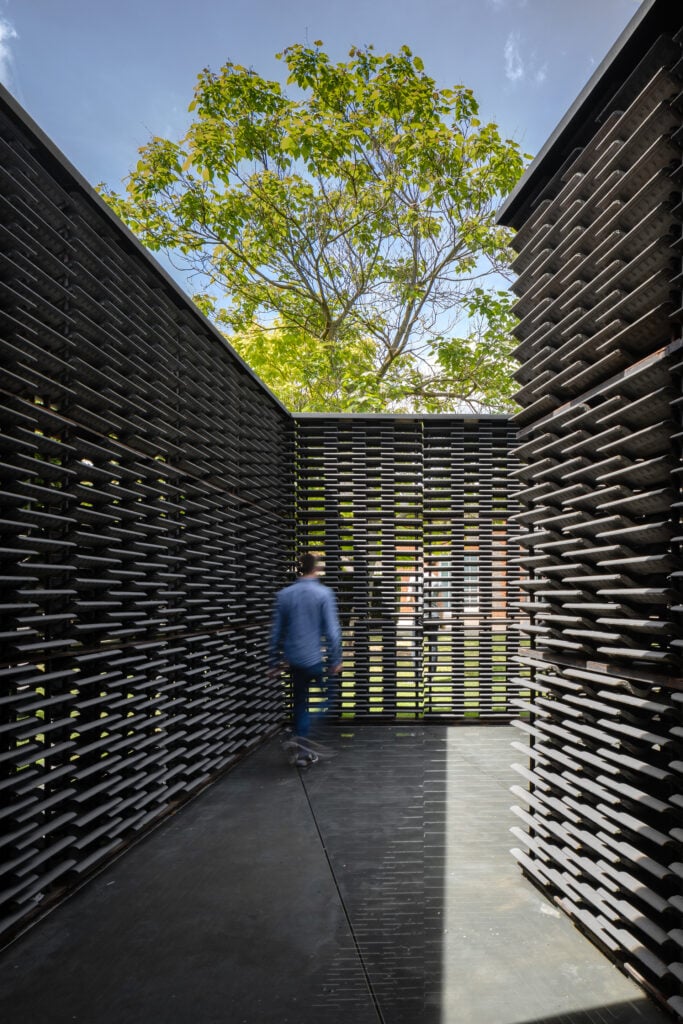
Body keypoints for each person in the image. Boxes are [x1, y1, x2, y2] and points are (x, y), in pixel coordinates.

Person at [269, 553, 343, 768]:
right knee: (329, 696)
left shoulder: (285, 595)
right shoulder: (323, 594)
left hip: (295, 661)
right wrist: (336, 659)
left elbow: (276, 631)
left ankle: (301, 751)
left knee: (300, 703)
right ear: (315, 569)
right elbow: (332, 630)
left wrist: (274, 662)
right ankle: (303, 737)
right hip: (314, 660)